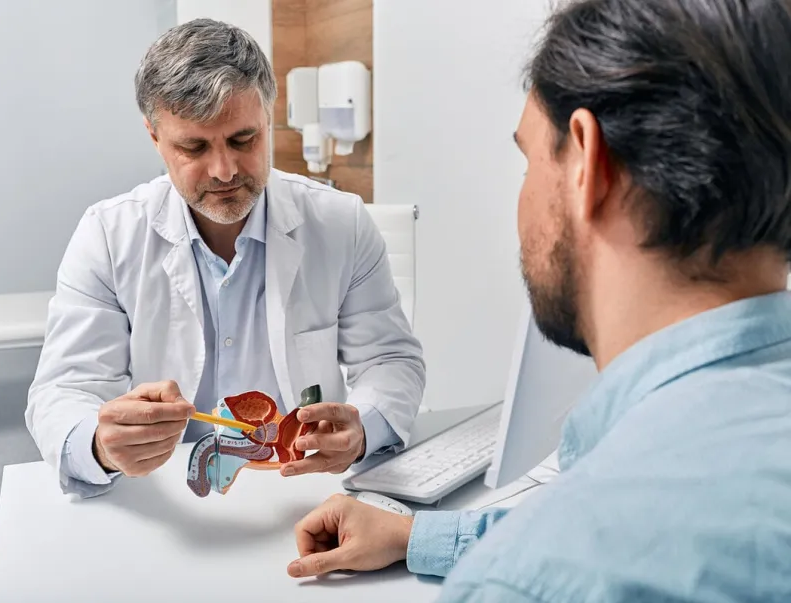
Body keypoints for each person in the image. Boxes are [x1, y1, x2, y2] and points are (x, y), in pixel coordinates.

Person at [286, 0, 791, 600]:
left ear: (586, 163)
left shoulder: (527, 580)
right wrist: (416, 534)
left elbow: (563, 557)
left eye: (527, 160)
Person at [25, 19, 425, 499]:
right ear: (155, 137)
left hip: (300, 492)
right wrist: (100, 445)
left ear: (268, 119)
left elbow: (391, 359)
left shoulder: (341, 222)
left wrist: (363, 428)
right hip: (167, 496)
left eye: (243, 140)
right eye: (193, 146)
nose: (225, 171)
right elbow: (62, 390)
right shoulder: (108, 234)